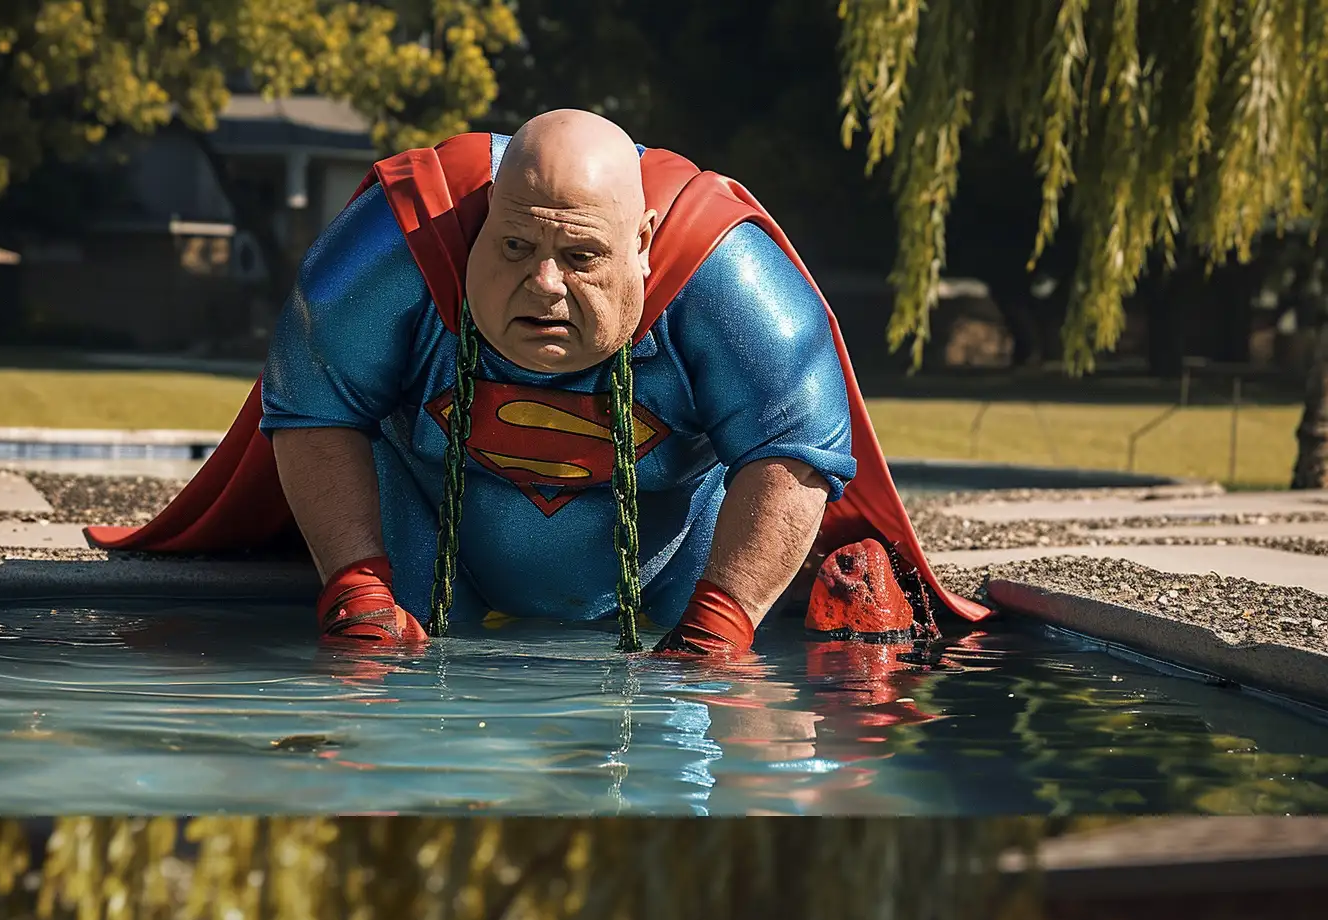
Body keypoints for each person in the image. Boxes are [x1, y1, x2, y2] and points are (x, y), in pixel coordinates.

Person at [88, 110, 982, 656]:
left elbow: (795, 450)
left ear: (643, 243)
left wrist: (723, 621)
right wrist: (358, 584)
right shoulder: (396, 247)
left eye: (582, 257)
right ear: (479, 226)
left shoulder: (726, 277)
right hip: (430, 553)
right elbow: (312, 402)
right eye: (516, 247)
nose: (544, 285)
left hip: (671, 574)